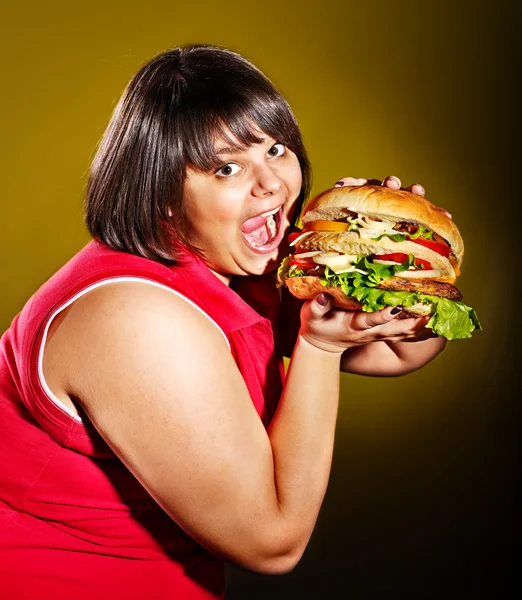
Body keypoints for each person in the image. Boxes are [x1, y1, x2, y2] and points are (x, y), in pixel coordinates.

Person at [0, 44, 446, 600]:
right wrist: (319, 348)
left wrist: (402, 266)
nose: (271, 184)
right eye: (227, 167)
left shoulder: (236, 268)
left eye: (276, 149)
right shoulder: (137, 320)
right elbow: (272, 544)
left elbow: (395, 352)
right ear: (161, 194)